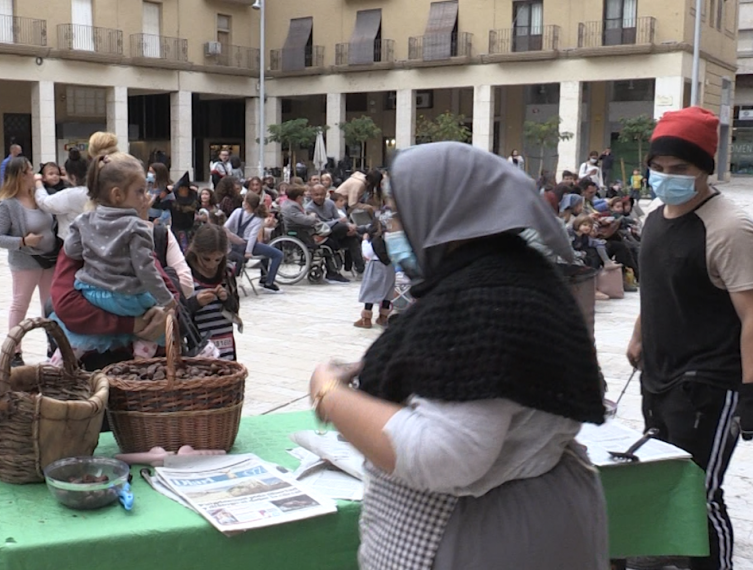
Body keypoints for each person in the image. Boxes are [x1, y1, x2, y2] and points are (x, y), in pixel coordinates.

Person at [308, 142, 607, 569]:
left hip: (484, 537)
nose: (395, 225)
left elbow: (446, 454)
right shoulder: (507, 274)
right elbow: (453, 368)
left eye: (400, 212)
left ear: (444, 212)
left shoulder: (486, 298)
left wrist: (329, 394)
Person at [626, 107, 753, 570]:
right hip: (660, 378)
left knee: (698, 492)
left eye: (679, 170)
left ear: (705, 168)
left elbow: (751, 313)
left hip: (709, 385)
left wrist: (749, 393)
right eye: (658, 168)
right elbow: (654, 285)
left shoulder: (729, 228)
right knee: (661, 485)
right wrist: (639, 336)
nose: (665, 177)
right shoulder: (656, 217)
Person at [54, 132, 175, 359]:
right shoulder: (136, 229)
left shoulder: (84, 221)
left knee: (73, 344)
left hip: (91, 293)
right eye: (140, 191)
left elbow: (72, 251)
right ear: (118, 194)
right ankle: (141, 364)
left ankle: (59, 363)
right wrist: (167, 306)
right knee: (152, 329)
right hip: (128, 302)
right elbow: (150, 272)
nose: (146, 197)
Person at [0, 156, 57, 368]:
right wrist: (22, 241)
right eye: (29, 171)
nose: (33, 174)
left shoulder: (40, 197)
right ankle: (14, 352)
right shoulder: (7, 205)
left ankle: (54, 348)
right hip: (25, 262)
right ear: (20, 175)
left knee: (51, 306)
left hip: (49, 260)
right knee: (20, 305)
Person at [183, 224, 241, 360]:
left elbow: (235, 309)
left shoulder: (226, 273)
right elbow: (177, 316)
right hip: (197, 350)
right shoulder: (185, 273)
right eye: (206, 259)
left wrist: (226, 299)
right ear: (195, 251)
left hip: (226, 346)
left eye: (218, 259)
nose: (212, 265)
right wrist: (194, 303)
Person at [225, 192, 283, 293]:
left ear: (246, 204)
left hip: (234, 244)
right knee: (278, 254)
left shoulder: (237, 212)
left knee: (266, 250)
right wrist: (248, 251)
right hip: (248, 245)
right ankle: (269, 282)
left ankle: (264, 278)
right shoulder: (258, 218)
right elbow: (252, 236)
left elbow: (226, 227)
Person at [307, 183, 365, 278]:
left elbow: (339, 219)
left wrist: (346, 225)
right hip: (324, 233)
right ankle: (360, 234)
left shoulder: (330, 204)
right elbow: (320, 225)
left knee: (353, 239)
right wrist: (338, 222)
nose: (320, 197)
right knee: (342, 227)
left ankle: (360, 269)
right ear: (311, 195)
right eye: (316, 195)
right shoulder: (309, 208)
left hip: (337, 232)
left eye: (322, 194)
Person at [36, 150, 90, 240]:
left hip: (74, 242)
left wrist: (38, 183)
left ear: (72, 176)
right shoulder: (97, 190)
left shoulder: (70, 194)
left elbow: (44, 202)